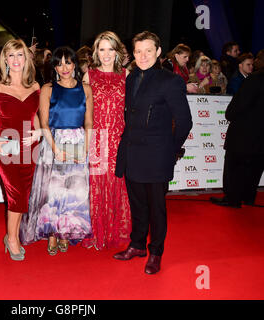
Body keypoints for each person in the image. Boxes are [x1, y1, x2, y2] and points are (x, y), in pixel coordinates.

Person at [114, 31, 192, 275]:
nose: (143, 55)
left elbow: (184, 122)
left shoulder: (171, 81)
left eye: (148, 50)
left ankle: (156, 251)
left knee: (156, 208)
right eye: (138, 51)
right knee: (137, 204)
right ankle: (137, 245)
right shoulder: (131, 78)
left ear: (158, 52)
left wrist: (169, 150)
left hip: (157, 155)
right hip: (132, 152)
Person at [20, 46, 94, 255]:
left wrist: (85, 148)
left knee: (74, 192)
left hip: (79, 141)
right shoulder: (48, 89)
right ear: (54, 67)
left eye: (68, 62)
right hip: (53, 143)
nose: (64, 68)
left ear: (74, 64)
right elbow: (43, 122)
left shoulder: (86, 89)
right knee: (52, 192)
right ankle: (52, 234)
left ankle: (66, 232)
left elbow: (89, 122)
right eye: (59, 63)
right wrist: (55, 149)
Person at [0, 39, 40, 261]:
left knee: (24, 197)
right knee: (16, 195)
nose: (16, 60)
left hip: (30, 146)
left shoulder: (35, 86)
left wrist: (39, 133)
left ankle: (13, 234)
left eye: (20, 55)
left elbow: (35, 116)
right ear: (5, 60)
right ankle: (12, 239)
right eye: (11, 55)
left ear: (26, 59)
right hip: (6, 145)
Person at [80, 30, 132, 250]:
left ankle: (117, 228)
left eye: (110, 49)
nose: (106, 54)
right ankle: (97, 230)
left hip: (120, 137)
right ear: (96, 52)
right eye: (102, 49)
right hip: (97, 137)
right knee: (97, 183)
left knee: (118, 182)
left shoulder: (127, 75)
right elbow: (82, 111)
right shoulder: (88, 76)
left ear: (117, 51)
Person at [210, 52, 264, 208]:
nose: (254, 63)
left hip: (244, 133)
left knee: (234, 167)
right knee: (255, 168)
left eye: (257, 60)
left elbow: (238, 106)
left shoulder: (254, 79)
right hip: (261, 136)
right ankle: (248, 197)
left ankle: (232, 199)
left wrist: (230, 113)